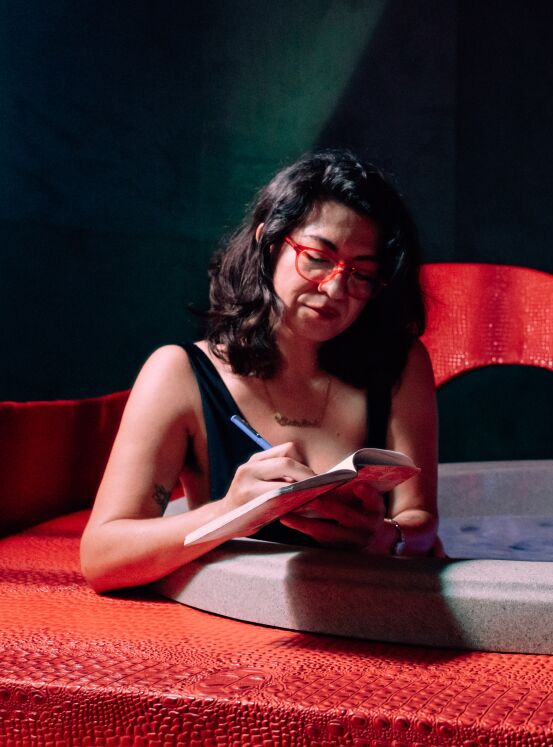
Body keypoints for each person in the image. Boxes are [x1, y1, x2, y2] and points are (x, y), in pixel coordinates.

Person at [81, 150, 439, 593]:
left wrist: (392, 536)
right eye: (317, 258)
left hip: (366, 621)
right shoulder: (180, 373)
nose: (334, 288)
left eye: (362, 274)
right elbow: (101, 557)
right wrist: (232, 511)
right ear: (269, 241)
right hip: (232, 632)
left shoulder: (400, 364)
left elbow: (422, 524)